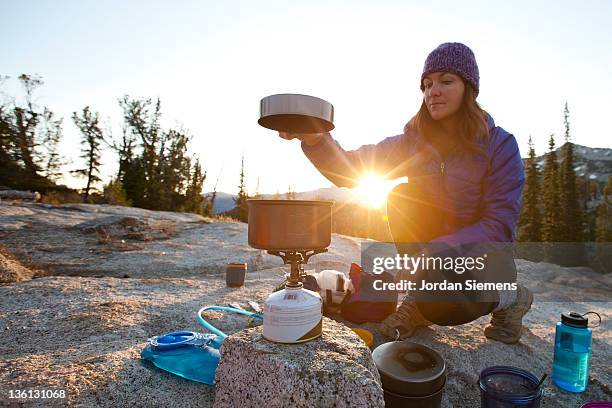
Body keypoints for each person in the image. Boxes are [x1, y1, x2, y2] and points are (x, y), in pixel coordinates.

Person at [278, 42, 533, 344]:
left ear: (469, 88)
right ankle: (421, 297)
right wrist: (317, 140)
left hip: (483, 257)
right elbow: (351, 168)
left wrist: (434, 253)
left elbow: (499, 225)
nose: (432, 91)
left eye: (446, 81)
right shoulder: (414, 142)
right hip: (435, 255)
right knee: (401, 199)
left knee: (444, 307)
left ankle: (510, 296)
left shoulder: (499, 145)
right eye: (427, 84)